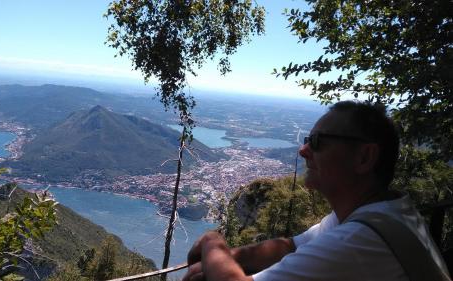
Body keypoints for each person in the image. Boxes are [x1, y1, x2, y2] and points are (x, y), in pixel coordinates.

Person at [183, 101, 450, 281]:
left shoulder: (362, 238)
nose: (303, 150)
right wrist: (228, 257)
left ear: (364, 158)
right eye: (307, 140)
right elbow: (289, 247)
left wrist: (213, 243)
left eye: (318, 142)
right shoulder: (378, 213)